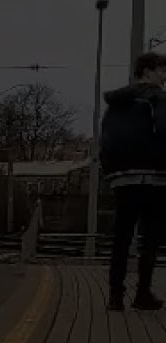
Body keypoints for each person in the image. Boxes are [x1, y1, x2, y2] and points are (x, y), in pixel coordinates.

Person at [100, 51, 166, 311]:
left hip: (122, 179)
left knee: (121, 237)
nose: (163, 77)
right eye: (161, 70)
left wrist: (112, 171)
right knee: (149, 239)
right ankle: (142, 294)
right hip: (155, 178)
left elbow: (105, 140)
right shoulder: (157, 98)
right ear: (147, 72)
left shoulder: (116, 103)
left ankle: (115, 297)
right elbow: (163, 130)